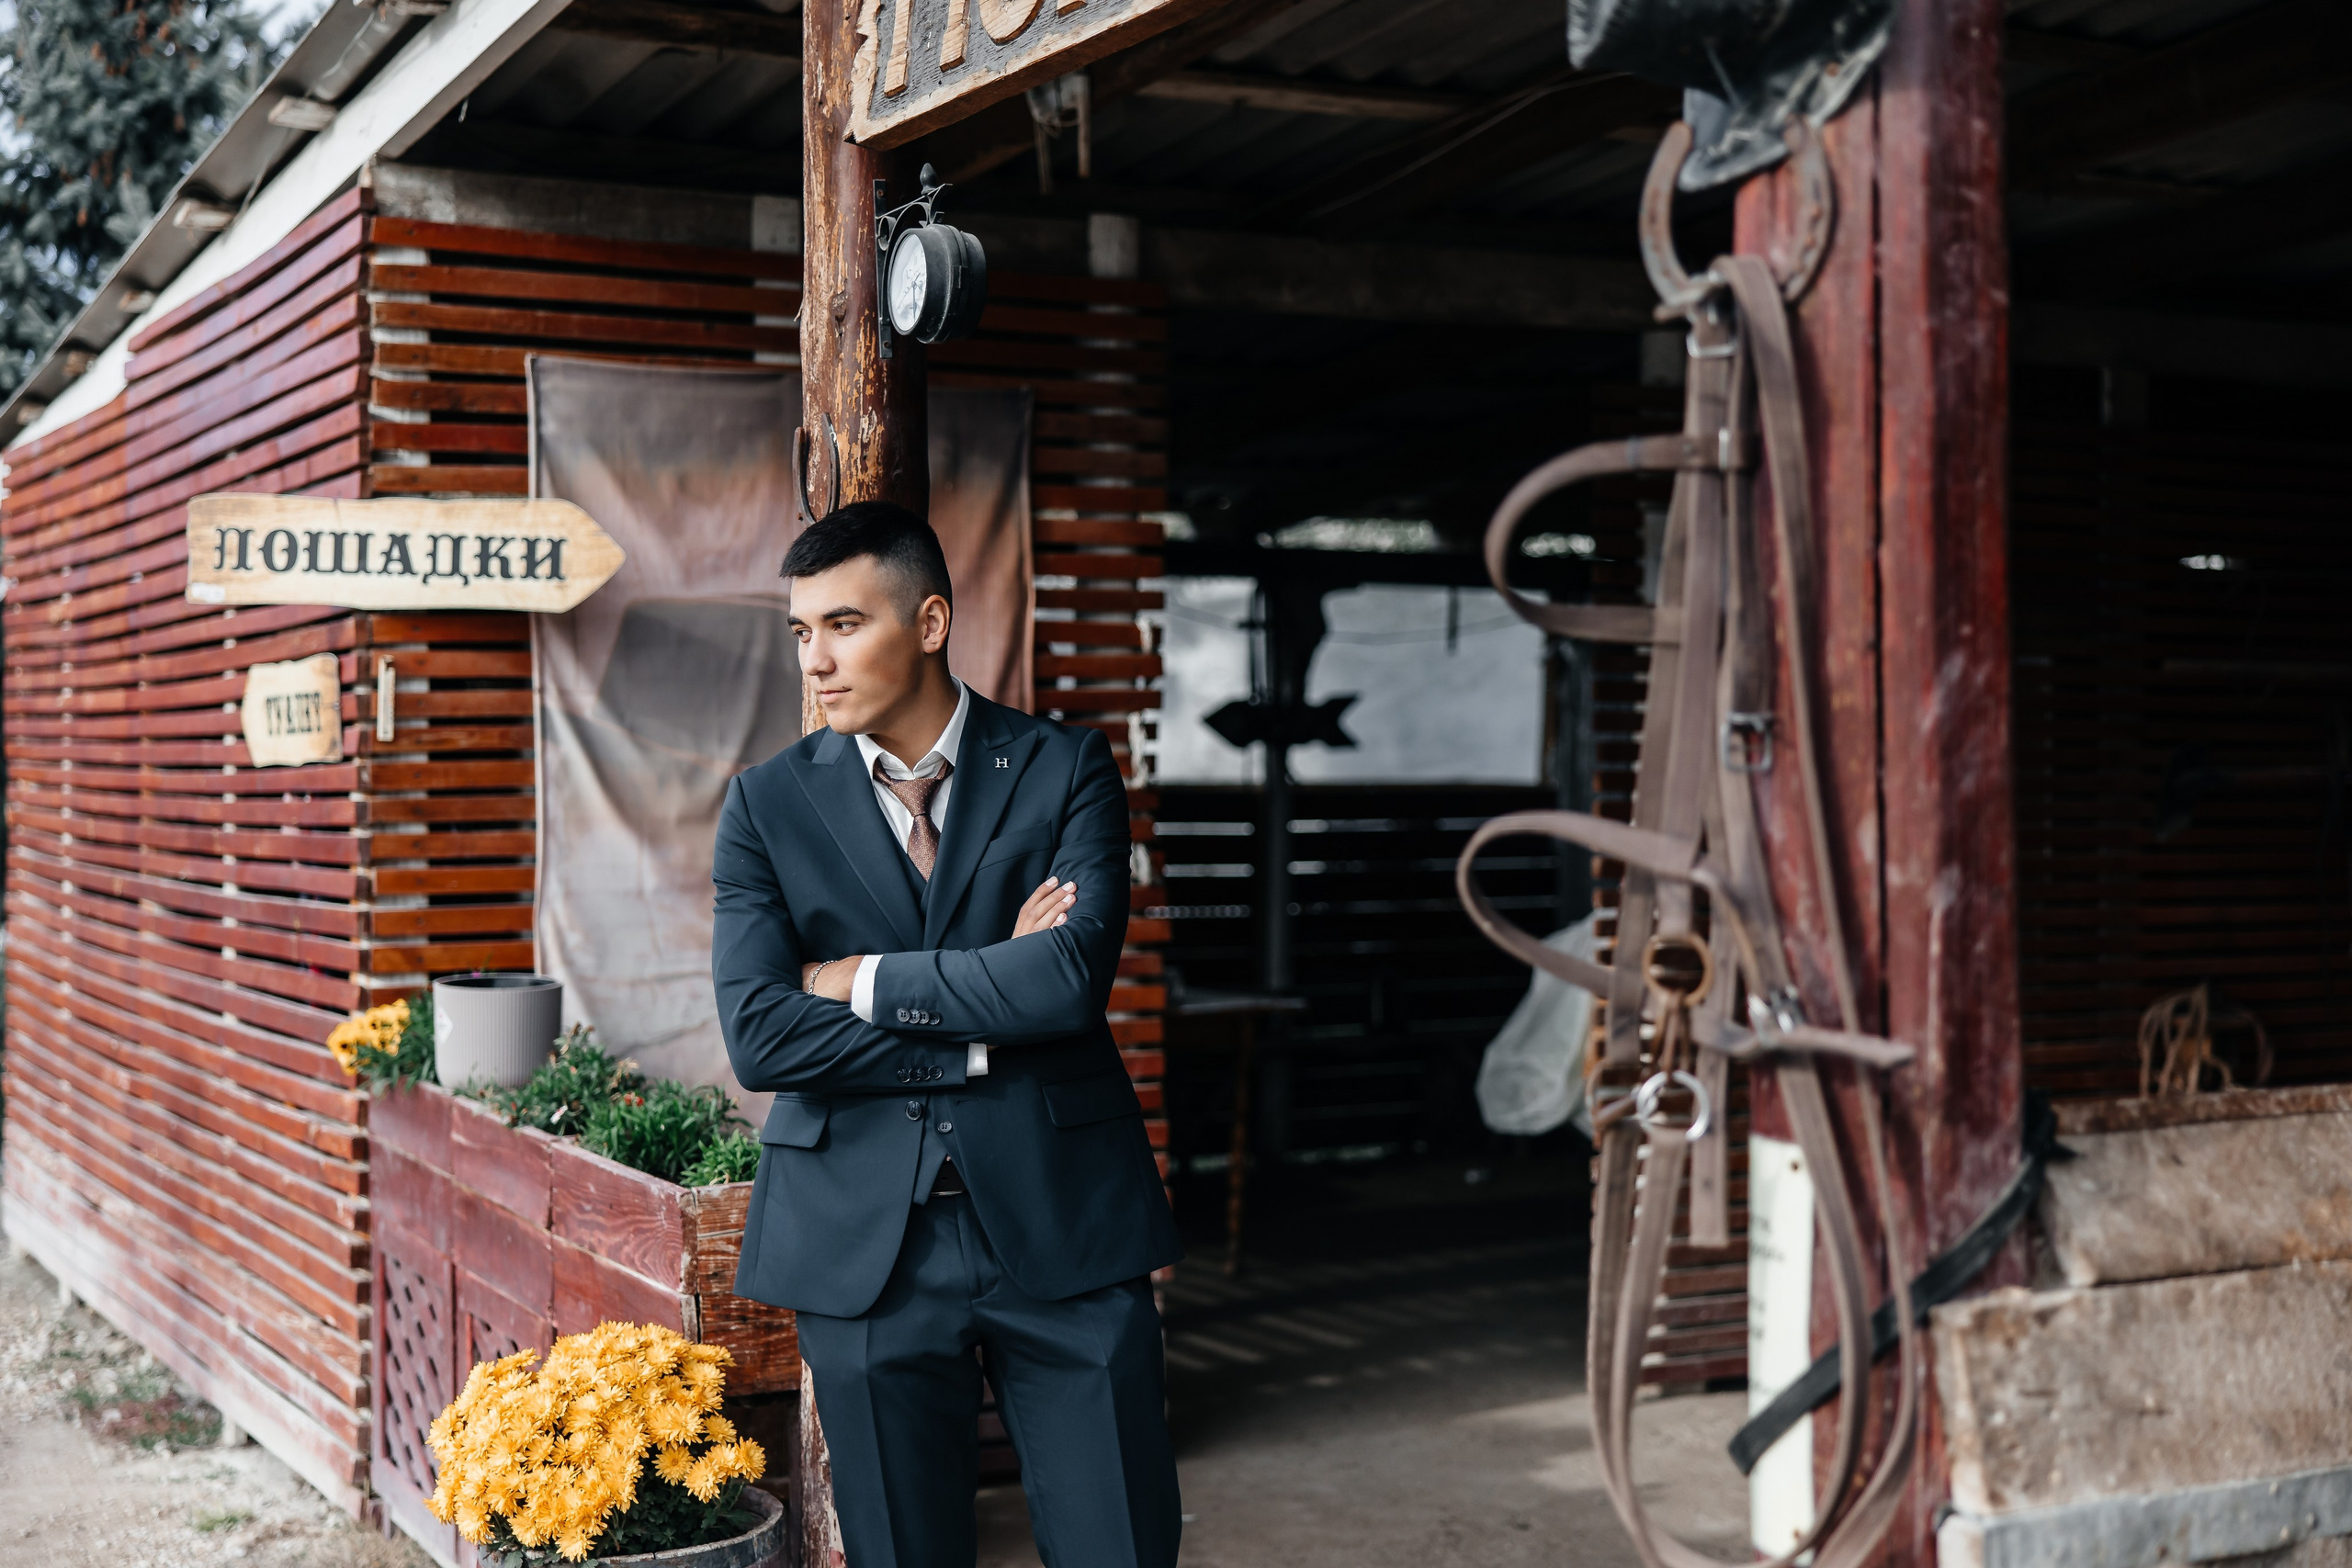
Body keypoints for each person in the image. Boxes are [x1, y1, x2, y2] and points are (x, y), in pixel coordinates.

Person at [713, 501, 1185, 1568]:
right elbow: (760, 1037)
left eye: (843, 625)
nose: (815, 663)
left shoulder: (1065, 768)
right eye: (800, 633)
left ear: (928, 623)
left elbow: (1064, 983)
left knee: (1120, 1544)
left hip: (1067, 1226)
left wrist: (849, 980)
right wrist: (982, 1010)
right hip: (863, 1247)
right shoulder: (764, 807)